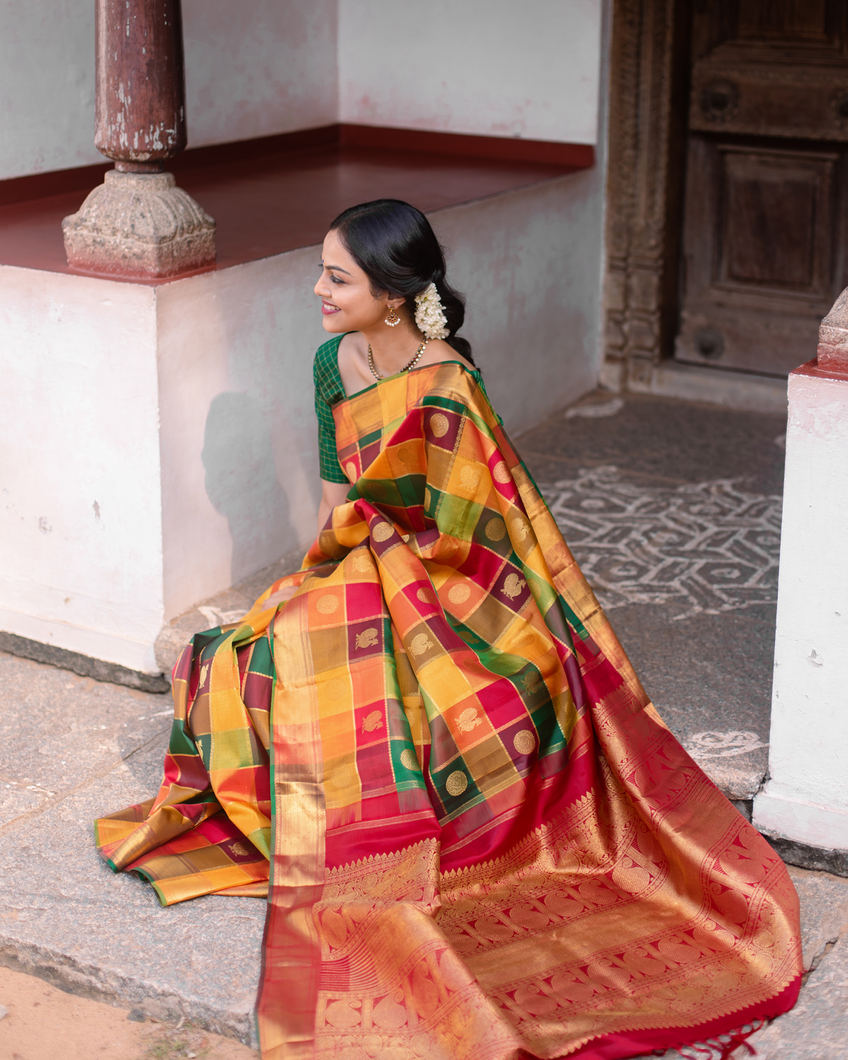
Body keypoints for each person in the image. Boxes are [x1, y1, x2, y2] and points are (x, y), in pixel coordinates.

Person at [96, 199, 802, 1060]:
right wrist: (318, 580)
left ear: (393, 296)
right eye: (321, 271)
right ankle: (290, 803)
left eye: (336, 277)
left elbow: (490, 515)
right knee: (251, 647)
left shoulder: (449, 382)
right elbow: (334, 498)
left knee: (421, 682)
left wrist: (415, 580)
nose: (316, 289)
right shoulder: (332, 364)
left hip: (453, 576)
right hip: (364, 560)